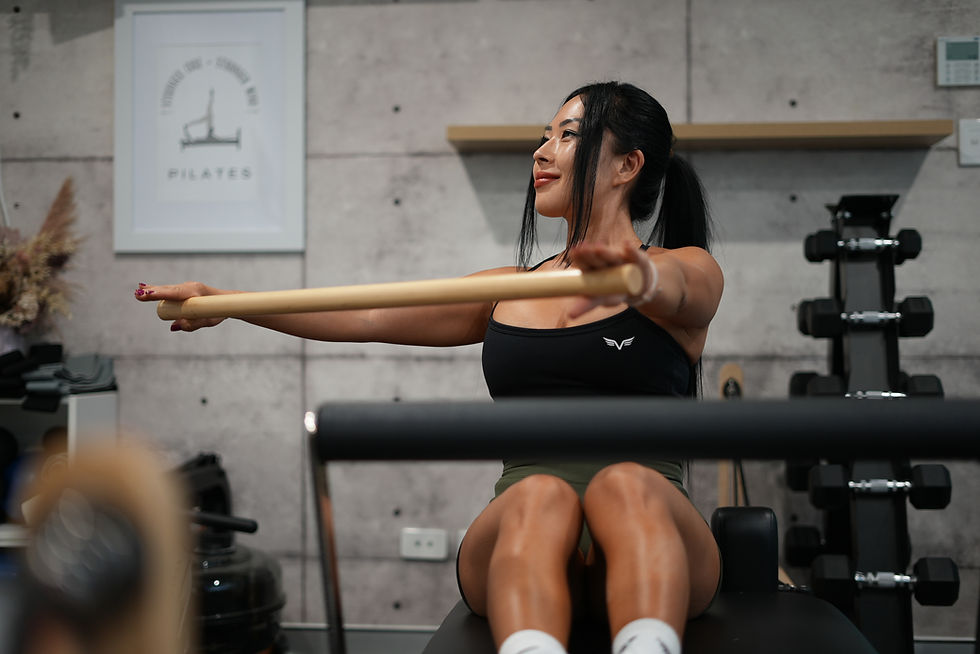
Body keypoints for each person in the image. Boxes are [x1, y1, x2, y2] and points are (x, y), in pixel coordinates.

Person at [135, 81, 723, 654]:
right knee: (540, 493)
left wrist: (633, 276)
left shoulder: (682, 266)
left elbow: (679, 291)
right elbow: (365, 316)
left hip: (655, 525)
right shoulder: (506, 290)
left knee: (625, 484)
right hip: (526, 530)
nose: (541, 152)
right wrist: (224, 303)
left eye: (568, 135)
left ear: (627, 166)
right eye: (544, 136)